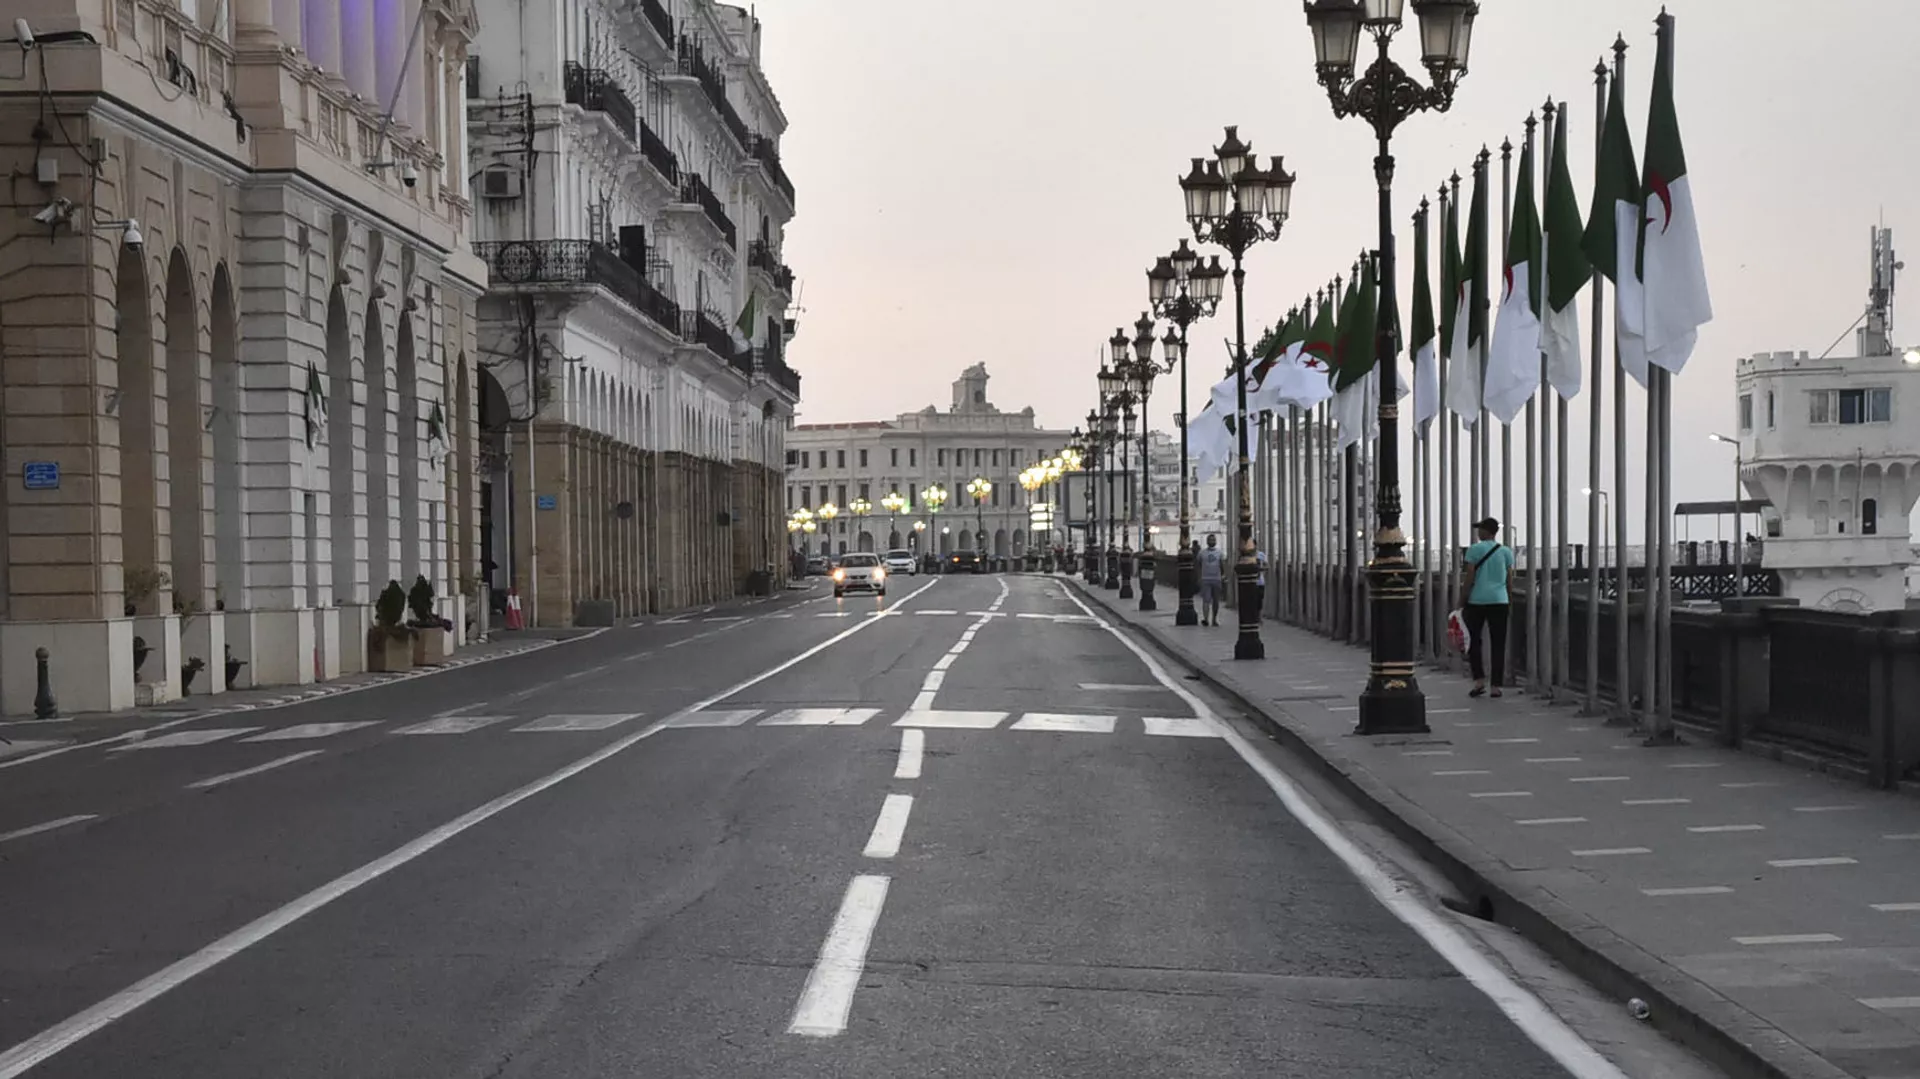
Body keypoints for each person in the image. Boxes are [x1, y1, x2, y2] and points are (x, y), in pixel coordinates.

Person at [1460, 516, 1515, 698]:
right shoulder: (1506, 551)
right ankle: (1496, 686)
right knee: (1498, 643)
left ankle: (1479, 681)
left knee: (1475, 641)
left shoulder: (1474, 550)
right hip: (1500, 600)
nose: (1477, 532)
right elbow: (1509, 579)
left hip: (1477, 601)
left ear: (1487, 531)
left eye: (1480, 529)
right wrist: (1508, 598)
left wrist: (1463, 597)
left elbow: (1469, 576)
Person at [1197, 534, 1226, 626]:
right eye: (1210, 540)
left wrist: (1223, 575)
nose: (1212, 541)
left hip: (1216, 579)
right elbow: (1198, 565)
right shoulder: (1202, 553)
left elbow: (1222, 565)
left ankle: (1214, 619)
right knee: (1206, 600)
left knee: (1216, 600)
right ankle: (1206, 619)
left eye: (1213, 540)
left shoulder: (1219, 553)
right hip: (1205, 579)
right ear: (1207, 541)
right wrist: (1199, 577)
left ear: (1215, 541)